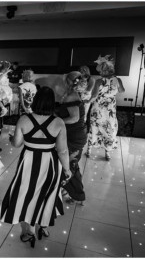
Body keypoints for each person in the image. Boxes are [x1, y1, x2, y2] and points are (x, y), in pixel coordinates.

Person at [0, 87, 70, 248]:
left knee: (26, 194)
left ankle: (28, 232)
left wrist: (13, 138)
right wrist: (67, 169)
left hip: (29, 162)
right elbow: (63, 150)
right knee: (47, 193)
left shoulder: (24, 119)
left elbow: (17, 144)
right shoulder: (58, 122)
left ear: (36, 100)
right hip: (50, 163)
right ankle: (43, 226)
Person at [56, 72, 88, 205]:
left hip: (73, 136)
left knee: (69, 165)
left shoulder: (71, 96)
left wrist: (56, 121)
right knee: (69, 164)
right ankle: (68, 191)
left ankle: (76, 194)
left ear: (68, 81)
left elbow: (74, 118)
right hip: (75, 134)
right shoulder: (73, 94)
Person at [86, 55, 124, 160]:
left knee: (94, 128)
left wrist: (86, 101)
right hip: (110, 109)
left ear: (103, 70)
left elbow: (94, 96)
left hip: (97, 110)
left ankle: (89, 151)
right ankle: (107, 153)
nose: (99, 72)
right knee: (109, 129)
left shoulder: (99, 81)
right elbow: (121, 91)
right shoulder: (117, 80)